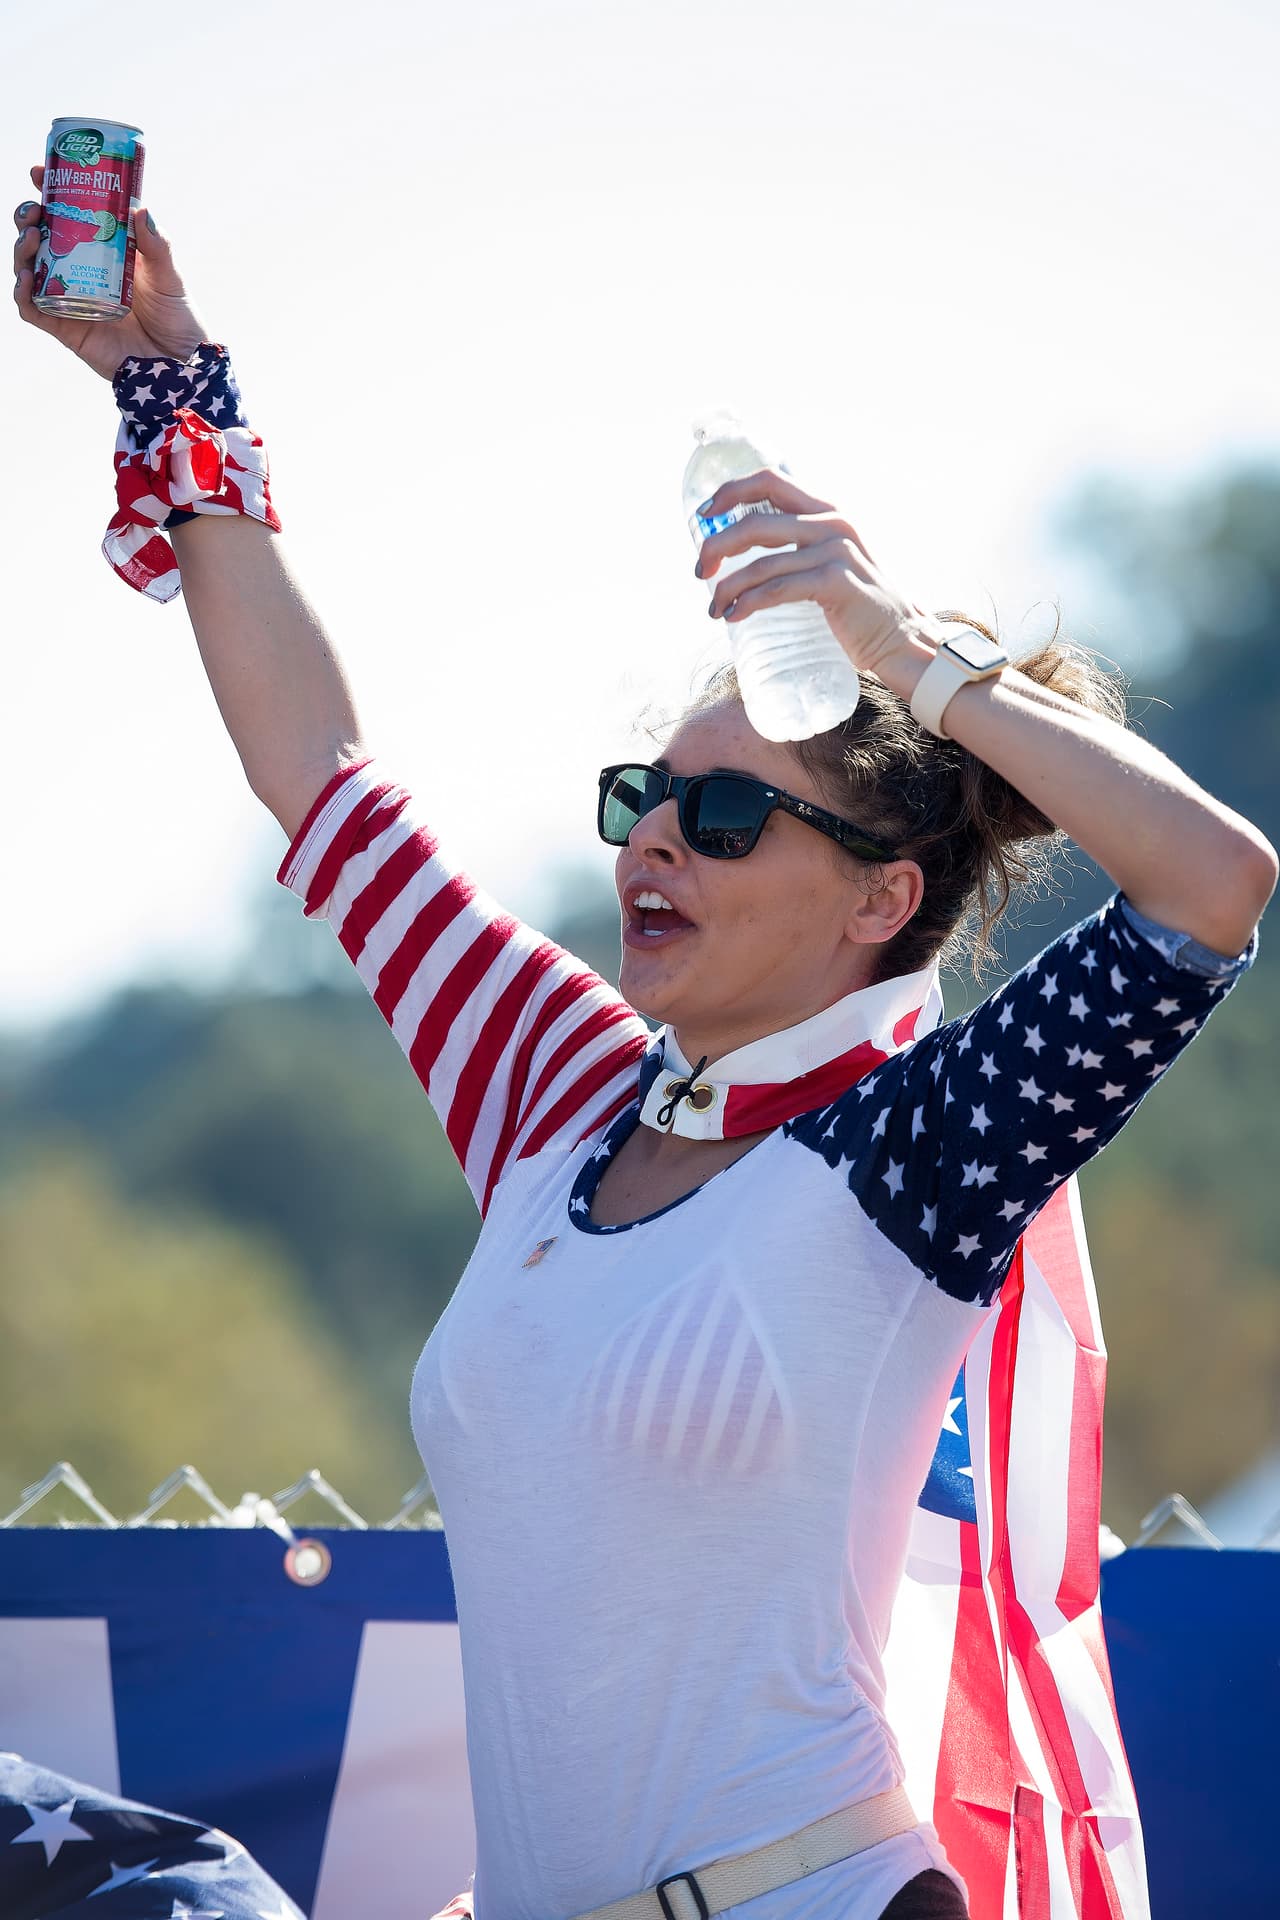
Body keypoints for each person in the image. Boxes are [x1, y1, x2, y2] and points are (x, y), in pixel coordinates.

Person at [14, 176, 1276, 1920]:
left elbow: (1211, 887)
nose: (654, 842)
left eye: (731, 810)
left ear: (878, 899)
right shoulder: (559, 1085)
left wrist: (909, 653)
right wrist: (174, 385)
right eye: (645, 798)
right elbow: (323, 778)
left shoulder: (914, 1150)